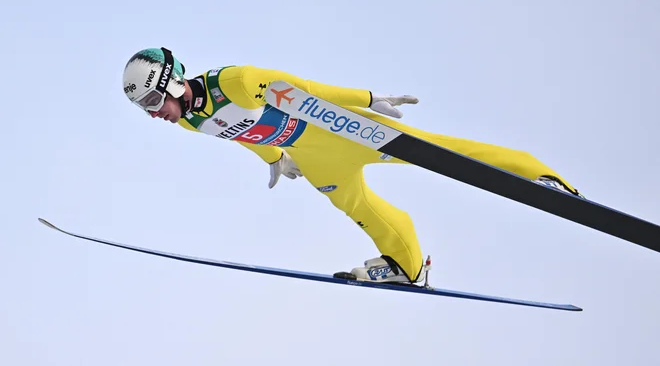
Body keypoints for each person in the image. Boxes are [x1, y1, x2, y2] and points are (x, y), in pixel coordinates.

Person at [122, 47, 584, 285]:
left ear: (176, 83)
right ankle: (407, 266)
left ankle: (542, 178)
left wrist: (368, 99)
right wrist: (277, 159)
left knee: (445, 152)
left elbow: (304, 88)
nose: (153, 113)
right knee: (356, 207)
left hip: (340, 131)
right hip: (314, 158)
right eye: (144, 108)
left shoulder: (236, 82)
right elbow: (238, 135)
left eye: (152, 99)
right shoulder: (188, 123)